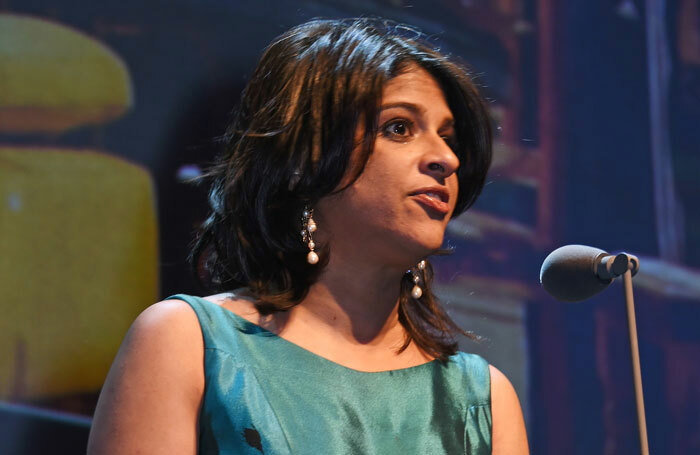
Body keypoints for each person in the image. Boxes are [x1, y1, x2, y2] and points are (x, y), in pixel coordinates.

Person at [87, 18, 528, 454]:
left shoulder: (483, 400)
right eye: (399, 128)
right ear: (304, 158)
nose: (445, 158)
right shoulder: (187, 342)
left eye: (447, 137)